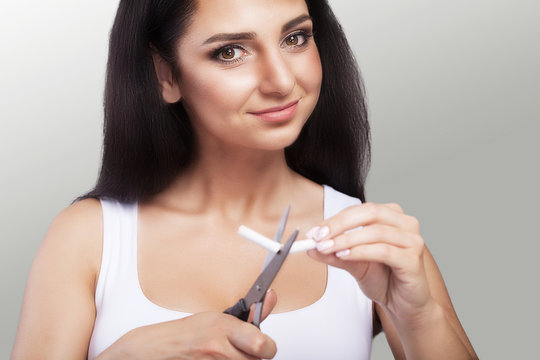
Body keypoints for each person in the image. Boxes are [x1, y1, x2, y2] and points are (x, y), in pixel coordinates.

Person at [12, 0, 478, 359]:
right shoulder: (88, 236)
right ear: (165, 74)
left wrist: (418, 316)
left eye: (296, 38)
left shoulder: (370, 237)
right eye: (230, 52)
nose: (280, 80)